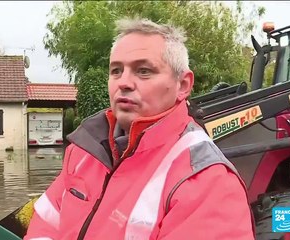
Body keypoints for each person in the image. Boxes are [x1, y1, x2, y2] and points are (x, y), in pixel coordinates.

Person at [24, 17, 255, 240]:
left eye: (143, 71)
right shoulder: (84, 150)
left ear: (183, 85)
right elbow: (47, 220)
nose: (123, 82)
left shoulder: (208, 183)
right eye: (116, 71)